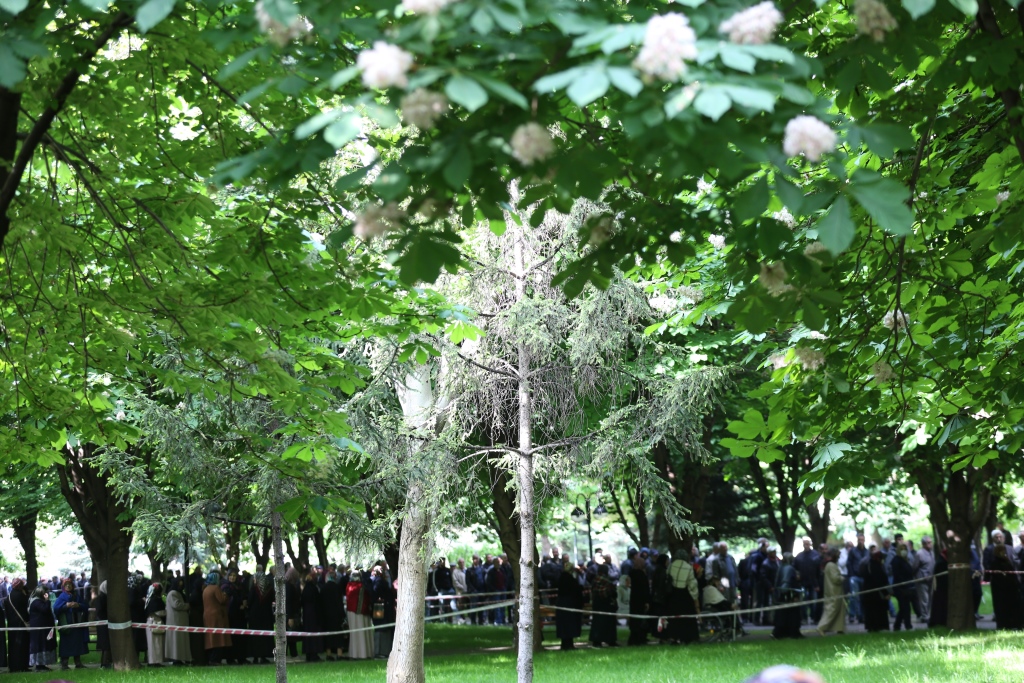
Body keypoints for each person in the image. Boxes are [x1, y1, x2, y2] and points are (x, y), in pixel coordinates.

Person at [666, 549, 700, 644]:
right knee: (686, 618)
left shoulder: (671, 566)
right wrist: (695, 596)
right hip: (685, 595)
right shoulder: (688, 567)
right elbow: (692, 583)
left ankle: (674, 638)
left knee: (674, 618)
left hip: (673, 595)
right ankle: (687, 638)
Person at [53, 578, 88, 669]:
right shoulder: (61, 597)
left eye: (70, 584)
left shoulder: (77, 596)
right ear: (63, 587)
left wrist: (78, 605)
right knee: (66, 645)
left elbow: (85, 606)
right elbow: (56, 609)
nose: (68, 586)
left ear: (73, 586)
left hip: (77, 624)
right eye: (66, 585)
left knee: (77, 644)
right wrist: (66, 606)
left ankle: (78, 663)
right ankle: (64, 664)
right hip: (66, 626)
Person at [988, 544, 1023, 630]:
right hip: (1002, 589)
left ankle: (1010, 624)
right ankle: (1006, 624)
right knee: (1003, 607)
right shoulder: (998, 562)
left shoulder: (1006, 561)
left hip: (1008, 588)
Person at [202, 570, 232, 665]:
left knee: (210, 637)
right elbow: (222, 600)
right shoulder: (215, 588)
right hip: (216, 615)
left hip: (207, 615)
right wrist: (225, 595)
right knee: (218, 637)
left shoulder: (206, 589)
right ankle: (215, 659)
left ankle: (211, 658)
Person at [246, 566, 274, 664]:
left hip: (255, 616)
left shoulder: (254, 589)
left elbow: (249, 601)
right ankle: (263, 656)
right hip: (266, 616)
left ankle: (255, 656)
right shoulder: (269, 589)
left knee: (255, 637)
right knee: (264, 637)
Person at [772, 552, 803, 639]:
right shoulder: (788, 568)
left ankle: (784, 632)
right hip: (788, 595)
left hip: (783, 595)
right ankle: (792, 632)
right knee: (791, 615)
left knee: (783, 615)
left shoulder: (781, 567)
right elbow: (786, 583)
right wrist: (792, 594)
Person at [555, 559, 584, 650]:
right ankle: (569, 644)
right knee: (569, 624)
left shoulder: (561, 577)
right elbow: (575, 589)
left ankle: (564, 644)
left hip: (561, 603)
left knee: (564, 625)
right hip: (569, 603)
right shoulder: (570, 578)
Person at [3, 578, 31, 672]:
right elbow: (26, 609)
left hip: (12, 624)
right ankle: (22, 666)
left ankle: (13, 666)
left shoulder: (9, 596)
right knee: (22, 645)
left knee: (13, 646)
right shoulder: (21, 596)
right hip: (21, 624)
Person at [817, 548, 846, 635]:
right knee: (832, 610)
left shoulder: (830, 565)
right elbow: (835, 578)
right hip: (834, 591)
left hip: (834, 591)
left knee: (839, 609)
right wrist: (842, 578)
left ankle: (839, 628)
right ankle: (821, 627)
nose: (839, 557)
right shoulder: (831, 565)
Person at [28, 584, 57, 671]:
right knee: (40, 646)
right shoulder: (37, 602)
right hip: (39, 629)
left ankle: (42, 665)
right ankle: (39, 665)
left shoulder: (37, 601)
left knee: (44, 645)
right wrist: (47, 601)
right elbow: (45, 609)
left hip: (43, 628)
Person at [346, 570, 374, 659]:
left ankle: (354, 654)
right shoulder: (361, 586)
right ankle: (364, 653)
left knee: (354, 634)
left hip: (351, 612)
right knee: (362, 633)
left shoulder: (348, 585)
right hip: (362, 613)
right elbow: (366, 599)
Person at [588, 564, 618, 647]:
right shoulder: (606, 580)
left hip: (597, 603)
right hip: (606, 604)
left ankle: (596, 641)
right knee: (609, 623)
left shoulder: (595, 579)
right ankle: (610, 640)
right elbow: (610, 591)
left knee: (597, 623)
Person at [793, 537, 821, 623]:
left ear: (810, 544)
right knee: (803, 601)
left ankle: (814, 617)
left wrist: (817, 584)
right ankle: (804, 617)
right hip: (802, 582)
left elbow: (819, 570)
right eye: (805, 544)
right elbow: (795, 568)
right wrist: (797, 575)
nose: (806, 545)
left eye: (807, 543)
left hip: (813, 583)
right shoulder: (799, 556)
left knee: (813, 601)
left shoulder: (816, 555)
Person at [371, 563, 396, 659]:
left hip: (381, 608)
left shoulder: (376, 581)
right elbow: (376, 592)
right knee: (382, 628)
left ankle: (381, 651)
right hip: (381, 609)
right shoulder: (379, 581)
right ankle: (380, 651)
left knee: (381, 628)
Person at [224, 569, 249, 665]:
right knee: (232, 637)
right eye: (231, 575)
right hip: (230, 615)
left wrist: (244, 602)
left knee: (241, 637)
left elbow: (244, 596)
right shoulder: (226, 586)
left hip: (240, 615)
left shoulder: (240, 586)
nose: (232, 577)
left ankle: (241, 657)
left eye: (234, 575)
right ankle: (230, 658)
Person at [165, 577, 192, 665]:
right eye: (179, 584)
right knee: (176, 641)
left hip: (180, 621)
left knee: (180, 641)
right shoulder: (173, 593)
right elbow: (176, 605)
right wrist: (187, 606)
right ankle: (176, 658)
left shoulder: (178, 593)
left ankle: (181, 658)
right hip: (176, 621)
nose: (181, 586)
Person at [861, 550, 889, 632]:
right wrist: (885, 593)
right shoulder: (875, 566)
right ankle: (876, 626)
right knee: (875, 610)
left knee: (871, 611)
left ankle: (872, 626)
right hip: (874, 593)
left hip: (871, 592)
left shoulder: (871, 565)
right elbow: (879, 581)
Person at [320, 568, 345, 661]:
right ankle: (339, 653)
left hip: (326, 615)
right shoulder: (337, 587)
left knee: (328, 634)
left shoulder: (323, 588)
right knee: (338, 634)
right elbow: (340, 602)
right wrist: (342, 614)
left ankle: (329, 653)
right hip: (336, 614)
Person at [890, 543, 915, 631]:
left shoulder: (905, 560)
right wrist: (904, 583)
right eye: (902, 549)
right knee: (905, 607)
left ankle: (897, 625)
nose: (904, 551)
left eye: (905, 549)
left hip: (906, 587)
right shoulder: (896, 560)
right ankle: (908, 626)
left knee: (903, 607)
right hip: (900, 588)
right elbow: (897, 574)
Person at [301, 569, 324, 662]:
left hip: (306, 615)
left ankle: (308, 653)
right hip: (314, 614)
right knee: (314, 634)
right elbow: (318, 601)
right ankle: (314, 653)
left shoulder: (305, 589)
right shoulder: (314, 589)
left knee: (307, 634)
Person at [144, 582, 166, 666]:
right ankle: (153, 661)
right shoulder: (155, 600)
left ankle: (155, 661)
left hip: (152, 622)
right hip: (155, 622)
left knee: (155, 643)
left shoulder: (149, 600)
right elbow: (158, 612)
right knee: (155, 643)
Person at [916, 536, 935, 623]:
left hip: (931, 579)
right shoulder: (919, 554)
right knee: (924, 599)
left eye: (930, 542)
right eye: (928, 542)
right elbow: (915, 567)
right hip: (922, 580)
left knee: (930, 598)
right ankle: (924, 616)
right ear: (924, 544)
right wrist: (918, 576)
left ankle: (928, 614)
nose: (930, 544)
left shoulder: (932, 553)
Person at [466, 556, 487, 624]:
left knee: (481, 607)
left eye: (477, 559)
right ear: (472, 560)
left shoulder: (482, 569)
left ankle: (481, 621)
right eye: (474, 559)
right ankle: (473, 621)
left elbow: (485, 580)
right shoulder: (469, 570)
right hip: (473, 592)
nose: (476, 560)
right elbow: (468, 582)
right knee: (473, 607)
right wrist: (473, 590)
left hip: (482, 591)